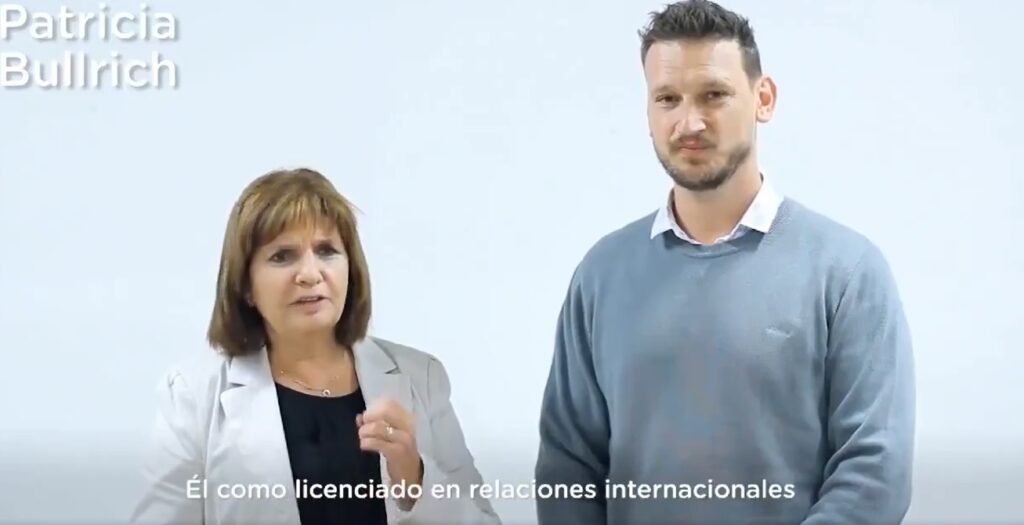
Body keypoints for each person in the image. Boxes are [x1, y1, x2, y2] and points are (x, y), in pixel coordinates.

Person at [534, 1, 915, 524]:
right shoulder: (601, 275)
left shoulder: (848, 272)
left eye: (713, 94)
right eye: (667, 98)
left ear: (764, 98)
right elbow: (567, 466)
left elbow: (874, 473)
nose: (689, 121)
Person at [130, 168, 500, 524]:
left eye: (326, 250)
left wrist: (414, 478)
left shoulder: (421, 377)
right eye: (282, 256)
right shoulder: (194, 394)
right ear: (245, 285)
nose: (310, 274)